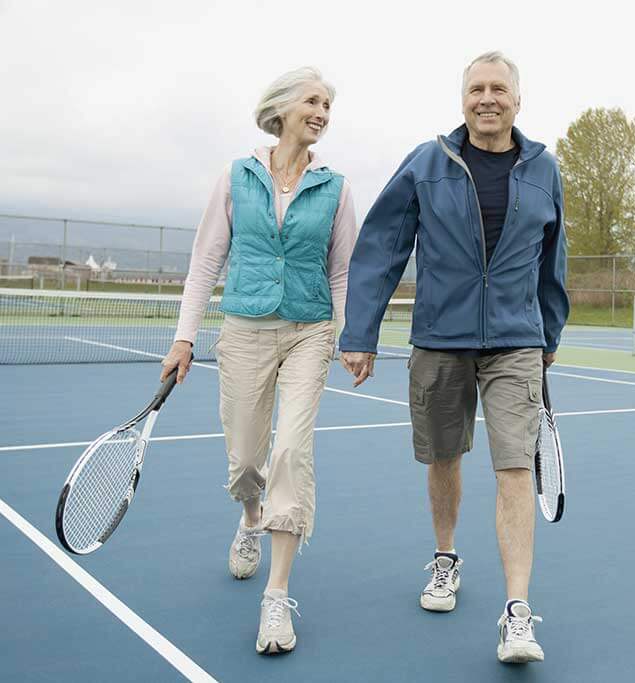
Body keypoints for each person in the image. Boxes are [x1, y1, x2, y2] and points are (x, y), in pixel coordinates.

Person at [340, 51, 569, 664]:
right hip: (440, 338)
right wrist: (360, 332)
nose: (486, 98)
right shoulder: (426, 163)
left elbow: (554, 260)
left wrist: (550, 332)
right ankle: (446, 558)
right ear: (462, 99)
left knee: (515, 467)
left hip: (515, 342)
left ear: (518, 101)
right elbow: (382, 247)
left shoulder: (544, 169)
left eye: (498, 89)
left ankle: (517, 612)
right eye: (476, 88)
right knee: (444, 457)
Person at [161, 66, 358, 655]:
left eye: (329, 104)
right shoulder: (236, 176)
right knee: (247, 461)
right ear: (283, 107)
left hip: (309, 329)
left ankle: (277, 596)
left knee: (291, 452)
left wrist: (350, 336)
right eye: (313, 101)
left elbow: (343, 270)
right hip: (244, 327)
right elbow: (205, 262)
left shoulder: (338, 187)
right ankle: (251, 519)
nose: (322, 112)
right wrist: (183, 336)